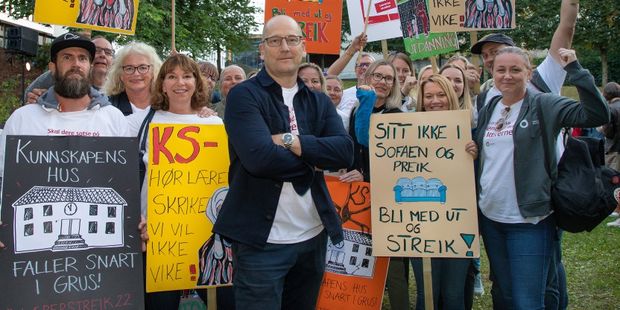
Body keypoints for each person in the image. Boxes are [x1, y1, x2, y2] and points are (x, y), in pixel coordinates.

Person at [212, 15, 353, 309]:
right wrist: (314, 161)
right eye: (275, 41)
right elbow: (259, 159)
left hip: (313, 236)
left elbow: (343, 152)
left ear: (303, 47)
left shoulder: (319, 100)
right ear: (262, 50)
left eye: (291, 40)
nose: (284, 47)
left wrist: (291, 141)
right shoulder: (243, 96)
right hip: (262, 244)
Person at [474, 47, 608, 310]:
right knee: (505, 295)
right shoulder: (490, 106)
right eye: (501, 70)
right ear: (492, 73)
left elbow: (596, 115)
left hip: (529, 221)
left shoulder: (544, 103)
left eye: (515, 70)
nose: (507, 76)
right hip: (491, 219)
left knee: (528, 302)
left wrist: (576, 71)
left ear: (529, 73)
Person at [470, 2, 579, 308]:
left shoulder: (542, 80)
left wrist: (570, 6)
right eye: (487, 55)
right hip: (495, 212)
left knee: (546, 279)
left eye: (497, 50)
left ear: (520, 60)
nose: (491, 57)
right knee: (506, 288)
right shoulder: (486, 98)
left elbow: (566, 31)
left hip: (536, 204)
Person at [128, 54, 223, 310]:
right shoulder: (144, 123)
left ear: (197, 82)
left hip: (206, 233)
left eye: (187, 76)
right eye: (171, 76)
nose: (180, 83)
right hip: (158, 235)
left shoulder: (214, 123)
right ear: (162, 84)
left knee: (221, 302)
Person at [346, 60, 410, 310]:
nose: (383, 82)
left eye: (389, 78)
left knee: (393, 266)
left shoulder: (396, 116)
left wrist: (367, 175)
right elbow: (355, 146)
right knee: (360, 259)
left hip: (387, 199)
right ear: (368, 78)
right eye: (378, 76)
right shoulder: (356, 110)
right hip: (359, 196)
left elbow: (394, 162)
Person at [411, 74, 477, 310]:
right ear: (421, 100)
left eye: (441, 95)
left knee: (452, 294)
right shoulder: (405, 131)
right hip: (417, 222)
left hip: (458, 221)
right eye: (429, 96)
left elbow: (480, 179)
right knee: (426, 292)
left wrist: (475, 155)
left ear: (451, 96)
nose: (435, 101)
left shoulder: (470, 130)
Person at [24, 35, 115, 103]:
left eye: (108, 52)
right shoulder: (60, 74)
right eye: (97, 50)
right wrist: (38, 99)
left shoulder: (120, 83)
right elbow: (29, 95)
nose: (103, 55)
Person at [103, 42, 162, 115]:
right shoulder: (107, 108)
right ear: (120, 74)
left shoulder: (167, 105)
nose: (136, 73)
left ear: (153, 71)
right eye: (129, 68)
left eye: (143, 68)